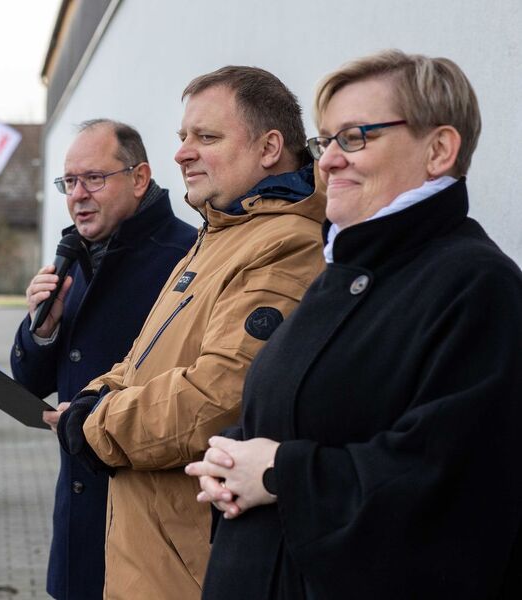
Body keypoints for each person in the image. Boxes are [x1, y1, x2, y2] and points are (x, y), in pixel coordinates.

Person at [186, 50, 522, 599]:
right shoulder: (346, 269)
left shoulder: (477, 286)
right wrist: (231, 455)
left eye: (354, 137)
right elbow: (308, 412)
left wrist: (280, 473)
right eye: (326, 141)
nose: (328, 162)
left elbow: (449, 482)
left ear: (439, 149)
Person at [58, 66, 327, 599]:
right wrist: (97, 393)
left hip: (190, 566)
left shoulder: (286, 245)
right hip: (151, 550)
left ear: (270, 147)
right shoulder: (219, 233)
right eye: (184, 136)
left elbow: (217, 400)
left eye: (206, 137)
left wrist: (95, 424)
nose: (182, 153)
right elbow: (141, 360)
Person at [11, 119, 196, 599]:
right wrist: (42, 330)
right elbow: (30, 383)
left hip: (151, 529)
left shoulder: (187, 258)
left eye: (93, 178)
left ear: (139, 178)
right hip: (78, 524)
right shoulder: (74, 258)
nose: (78, 195)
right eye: (69, 182)